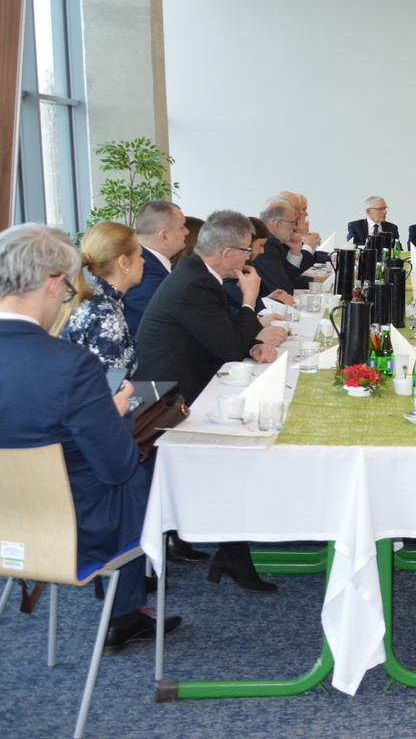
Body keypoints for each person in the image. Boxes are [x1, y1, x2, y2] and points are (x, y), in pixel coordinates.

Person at [0, 224, 182, 652]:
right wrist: (113, 413)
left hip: (9, 520)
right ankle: (125, 612)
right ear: (53, 283)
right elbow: (117, 466)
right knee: (143, 475)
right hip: (70, 526)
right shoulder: (70, 366)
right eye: (67, 291)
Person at [133, 210, 287, 588]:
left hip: (185, 384)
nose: (249, 258)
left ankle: (232, 552)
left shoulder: (197, 274)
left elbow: (224, 337)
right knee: (237, 445)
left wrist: (252, 345)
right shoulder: (195, 284)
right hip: (168, 399)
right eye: (246, 251)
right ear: (226, 252)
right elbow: (229, 345)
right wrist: (250, 300)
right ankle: (231, 553)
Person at [57, 221, 144, 372]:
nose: (143, 261)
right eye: (140, 255)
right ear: (124, 262)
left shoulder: (93, 298)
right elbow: (113, 381)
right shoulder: (105, 312)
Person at [122, 199, 188, 335]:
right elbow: (179, 319)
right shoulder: (143, 271)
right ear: (164, 236)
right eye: (182, 227)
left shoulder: (151, 264)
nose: (187, 232)